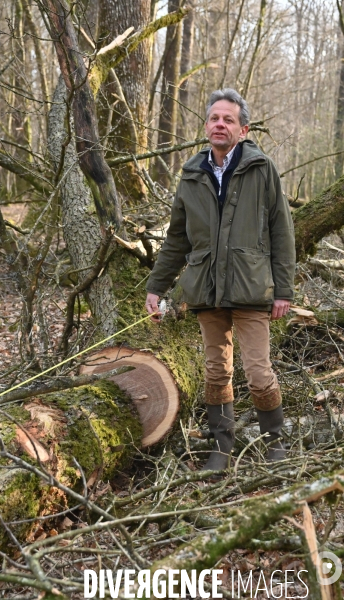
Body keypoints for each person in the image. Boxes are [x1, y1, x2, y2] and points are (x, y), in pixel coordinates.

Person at [145, 88, 295, 473]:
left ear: (243, 129)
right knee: (216, 371)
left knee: (259, 372)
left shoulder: (262, 169)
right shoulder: (191, 173)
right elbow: (177, 237)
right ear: (206, 125)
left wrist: (284, 291)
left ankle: (275, 442)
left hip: (251, 288)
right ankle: (222, 447)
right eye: (214, 118)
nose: (220, 124)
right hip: (206, 288)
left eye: (228, 119)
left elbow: (282, 232)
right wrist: (156, 287)